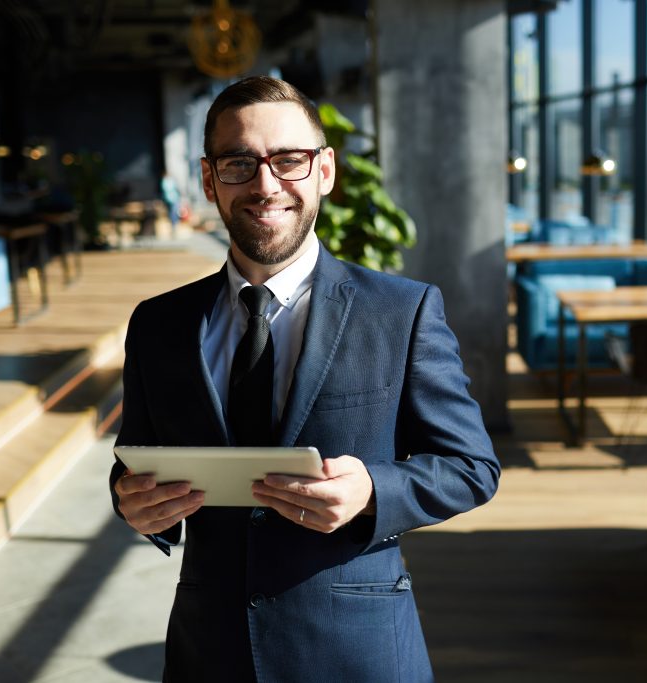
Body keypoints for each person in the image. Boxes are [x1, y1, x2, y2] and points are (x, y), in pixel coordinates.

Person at [109, 76, 500, 682]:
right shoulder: (158, 324)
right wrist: (130, 501)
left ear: (324, 170)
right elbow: (136, 459)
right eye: (239, 163)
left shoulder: (402, 311)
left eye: (288, 160)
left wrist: (373, 490)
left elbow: (471, 467)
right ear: (209, 180)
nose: (266, 186)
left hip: (357, 651)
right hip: (209, 651)